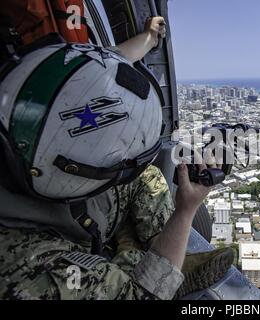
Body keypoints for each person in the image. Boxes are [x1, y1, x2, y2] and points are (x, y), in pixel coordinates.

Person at [0, 16, 233, 300]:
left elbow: (89, 71)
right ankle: (147, 262)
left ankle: (160, 248)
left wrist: (148, 38)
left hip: (60, 206)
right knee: (131, 274)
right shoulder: (36, 270)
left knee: (146, 177)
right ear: (68, 171)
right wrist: (185, 211)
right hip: (65, 247)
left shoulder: (25, 110)